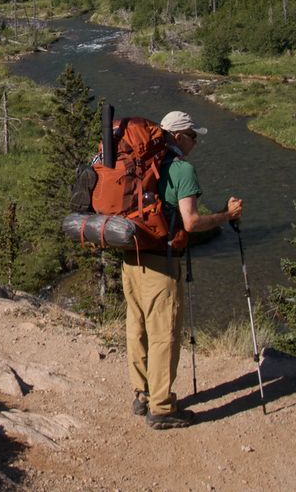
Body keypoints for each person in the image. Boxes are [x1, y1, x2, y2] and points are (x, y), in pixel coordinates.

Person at [124, 109, 242, 429]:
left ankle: (143, 393)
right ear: (178, 137)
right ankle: (162, 407)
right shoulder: (182, 169)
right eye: (192, 136)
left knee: (137, 326)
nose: (195, 142)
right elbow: (191, 222)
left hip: (130, 255)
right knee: (164, 333)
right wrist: (225, 216)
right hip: (161, 262)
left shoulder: (138, 162)